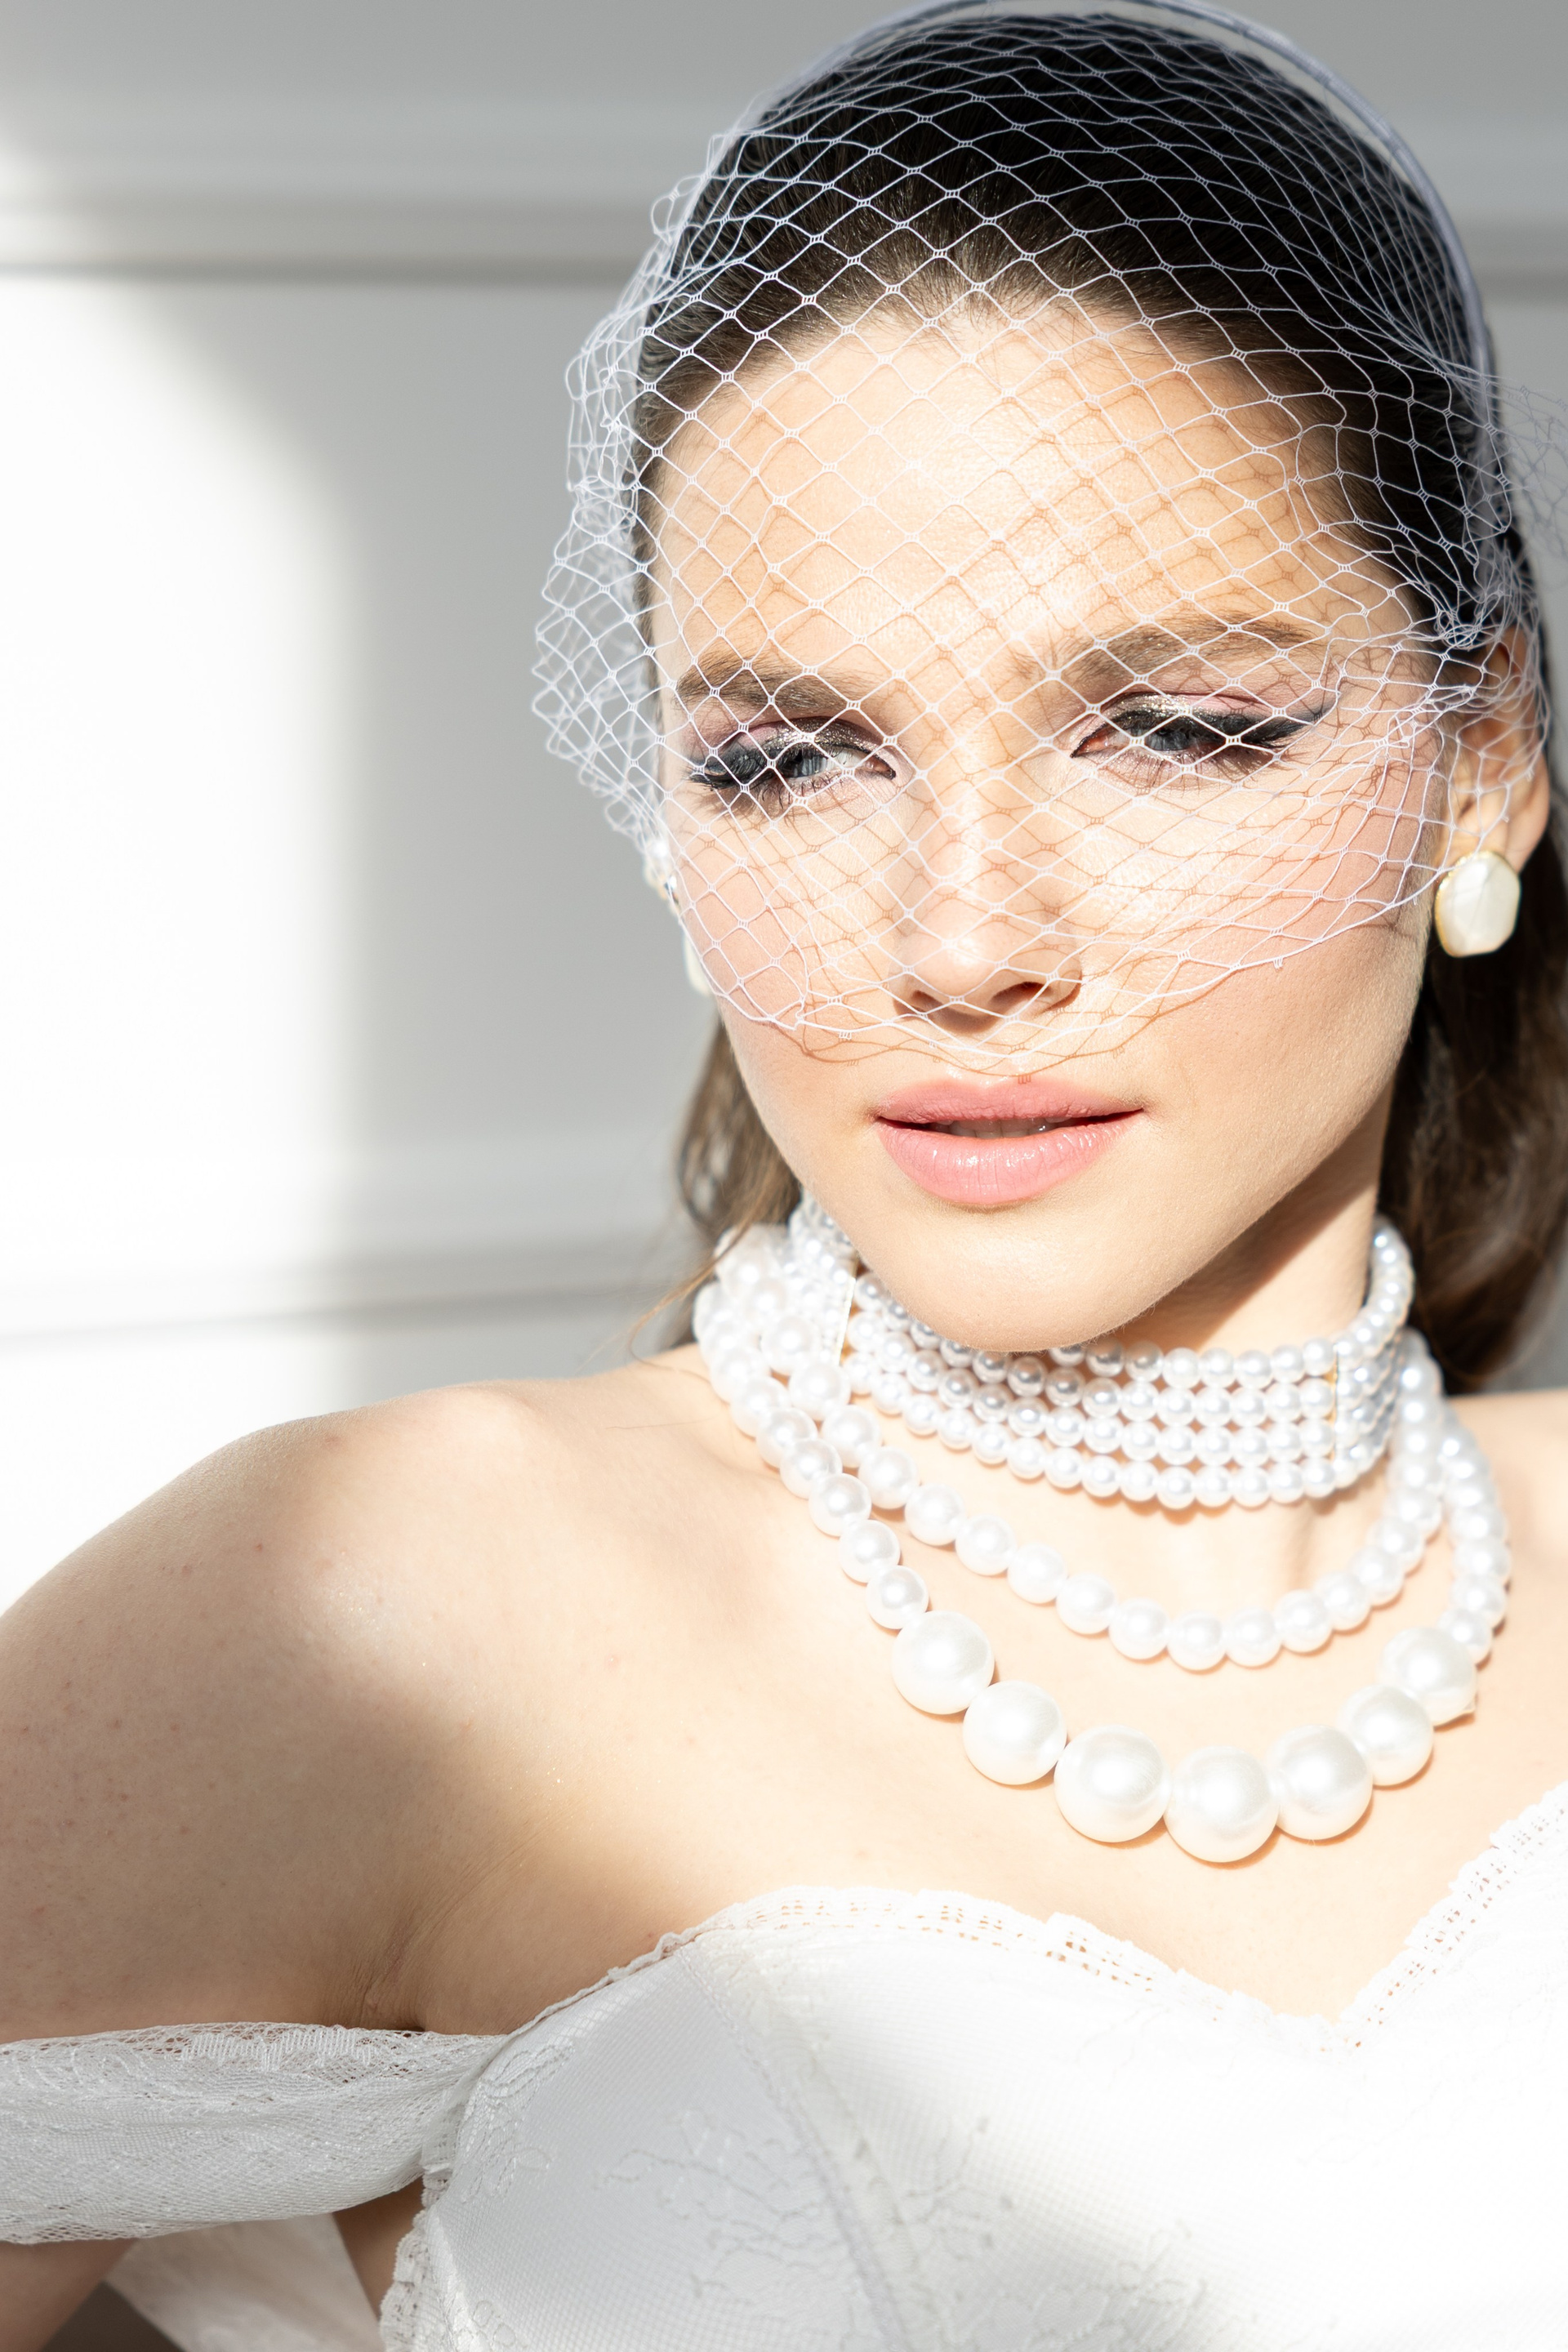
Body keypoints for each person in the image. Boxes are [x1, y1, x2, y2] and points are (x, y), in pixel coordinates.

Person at [7, 4, 1568, 2345]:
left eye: (1175, 727)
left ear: (1482, 764)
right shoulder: (377, 1615)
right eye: (790, 758)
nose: (959, 940)